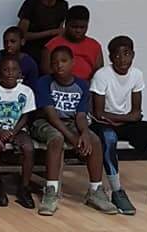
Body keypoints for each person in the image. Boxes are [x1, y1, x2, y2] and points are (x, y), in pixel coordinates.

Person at [32, 45, 118, 216]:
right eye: (55, 62)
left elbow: (80, 115)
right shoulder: (44, 83)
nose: (59, 65)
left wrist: (84, 133)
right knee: (56, 138)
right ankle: (51, 190)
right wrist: (72, 137)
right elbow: (52, 116)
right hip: (45, 122)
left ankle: (95, 190)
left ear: (73, 63)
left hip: (70, 122)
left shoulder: (82, 85)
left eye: (63, 61)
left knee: (94, 140)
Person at [90, 35, 147, 214]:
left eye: (126, 54)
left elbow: (137, 112)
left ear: (133, 55)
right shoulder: (102, 75)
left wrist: (124, 119)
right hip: (101, 124)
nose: (122, 59)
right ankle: (117, 191)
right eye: (117, 55)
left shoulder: (137, 74)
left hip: (121, 121)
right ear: (111, 57)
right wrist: (126, 118)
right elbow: (98, 113)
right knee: (109, 136)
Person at [0, 54, 36, 208]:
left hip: (18, 129)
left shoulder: (26, 91)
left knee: (28, 148)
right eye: (6, 69)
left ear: (20, 73)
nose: (10, 73)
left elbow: (25, 115)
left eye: (14, 69)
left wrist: (14, 131)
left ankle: (24, 188)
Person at [18, 0, 70, 65]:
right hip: (30, 51)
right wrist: (51, 32)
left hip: (51, 52)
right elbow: (21, 35)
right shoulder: (31, 3)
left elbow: (60, 32)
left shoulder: (63, 5)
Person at [41, 5, 103, 81]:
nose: (78, 30)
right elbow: (47, 73)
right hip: (58, 87)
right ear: (66, 25)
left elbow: (99, 73)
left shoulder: (95, 46)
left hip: (87, 87)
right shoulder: (51, 46)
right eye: (74, 27)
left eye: (82, 27)